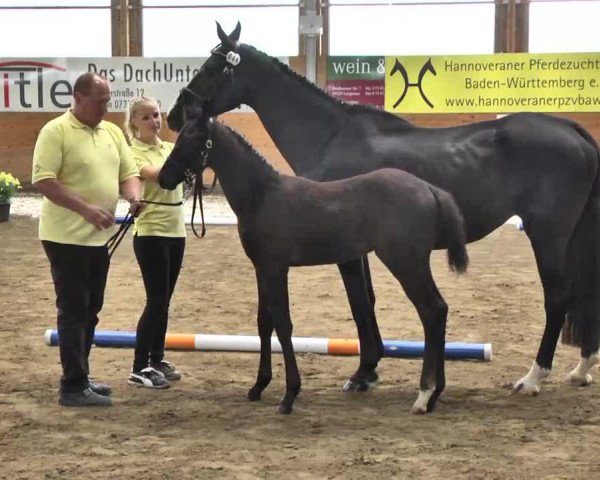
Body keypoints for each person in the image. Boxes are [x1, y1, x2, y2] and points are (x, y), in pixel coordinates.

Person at [32, 72, 142, 407]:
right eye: (100, 102)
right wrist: (86, 210)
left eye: (108, 102)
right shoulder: (55, 131)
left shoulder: (111, 132)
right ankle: (72, 386)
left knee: (91, 309)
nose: (105, 109)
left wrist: (134, 197)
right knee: (72, 310)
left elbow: (129, 173)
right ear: (78, 97)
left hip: (99, 239)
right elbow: (44, 181)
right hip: (65, 237)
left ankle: (82, 376)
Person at [123, 97, 186, 389]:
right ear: (134, 122)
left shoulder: (170, 148)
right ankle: (139, 366)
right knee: (156, 300)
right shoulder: (132, 152)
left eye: (156, 115)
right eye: (147, 117)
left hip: (176, 231)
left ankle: (156, 358)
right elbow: (162, 176)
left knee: (164, 301)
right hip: (151, 232)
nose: (155, 121)